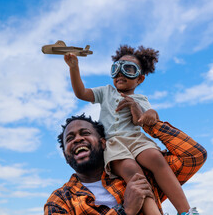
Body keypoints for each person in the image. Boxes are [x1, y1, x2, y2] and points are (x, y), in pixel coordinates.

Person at [63, 45, 196, 214]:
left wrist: (146, 112)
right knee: (132, 170)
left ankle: (186, 211)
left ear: (139, 79)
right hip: (113, 143)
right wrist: (74, 67)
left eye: (128, 69)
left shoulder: (140, 98)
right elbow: (81, 93)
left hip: (135, 140)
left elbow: (141, 119)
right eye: (116, 69)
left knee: (156, 157)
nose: (120, 73)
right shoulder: (105, 92)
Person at [44, 114, 207, 214]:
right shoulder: (59, 201)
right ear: (66, 156)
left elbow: (193, 156)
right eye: (70, 139)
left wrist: (149, 123)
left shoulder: (140, 175)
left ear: (103, 143)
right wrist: (125, 210)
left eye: (85, 133)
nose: (78, 139)